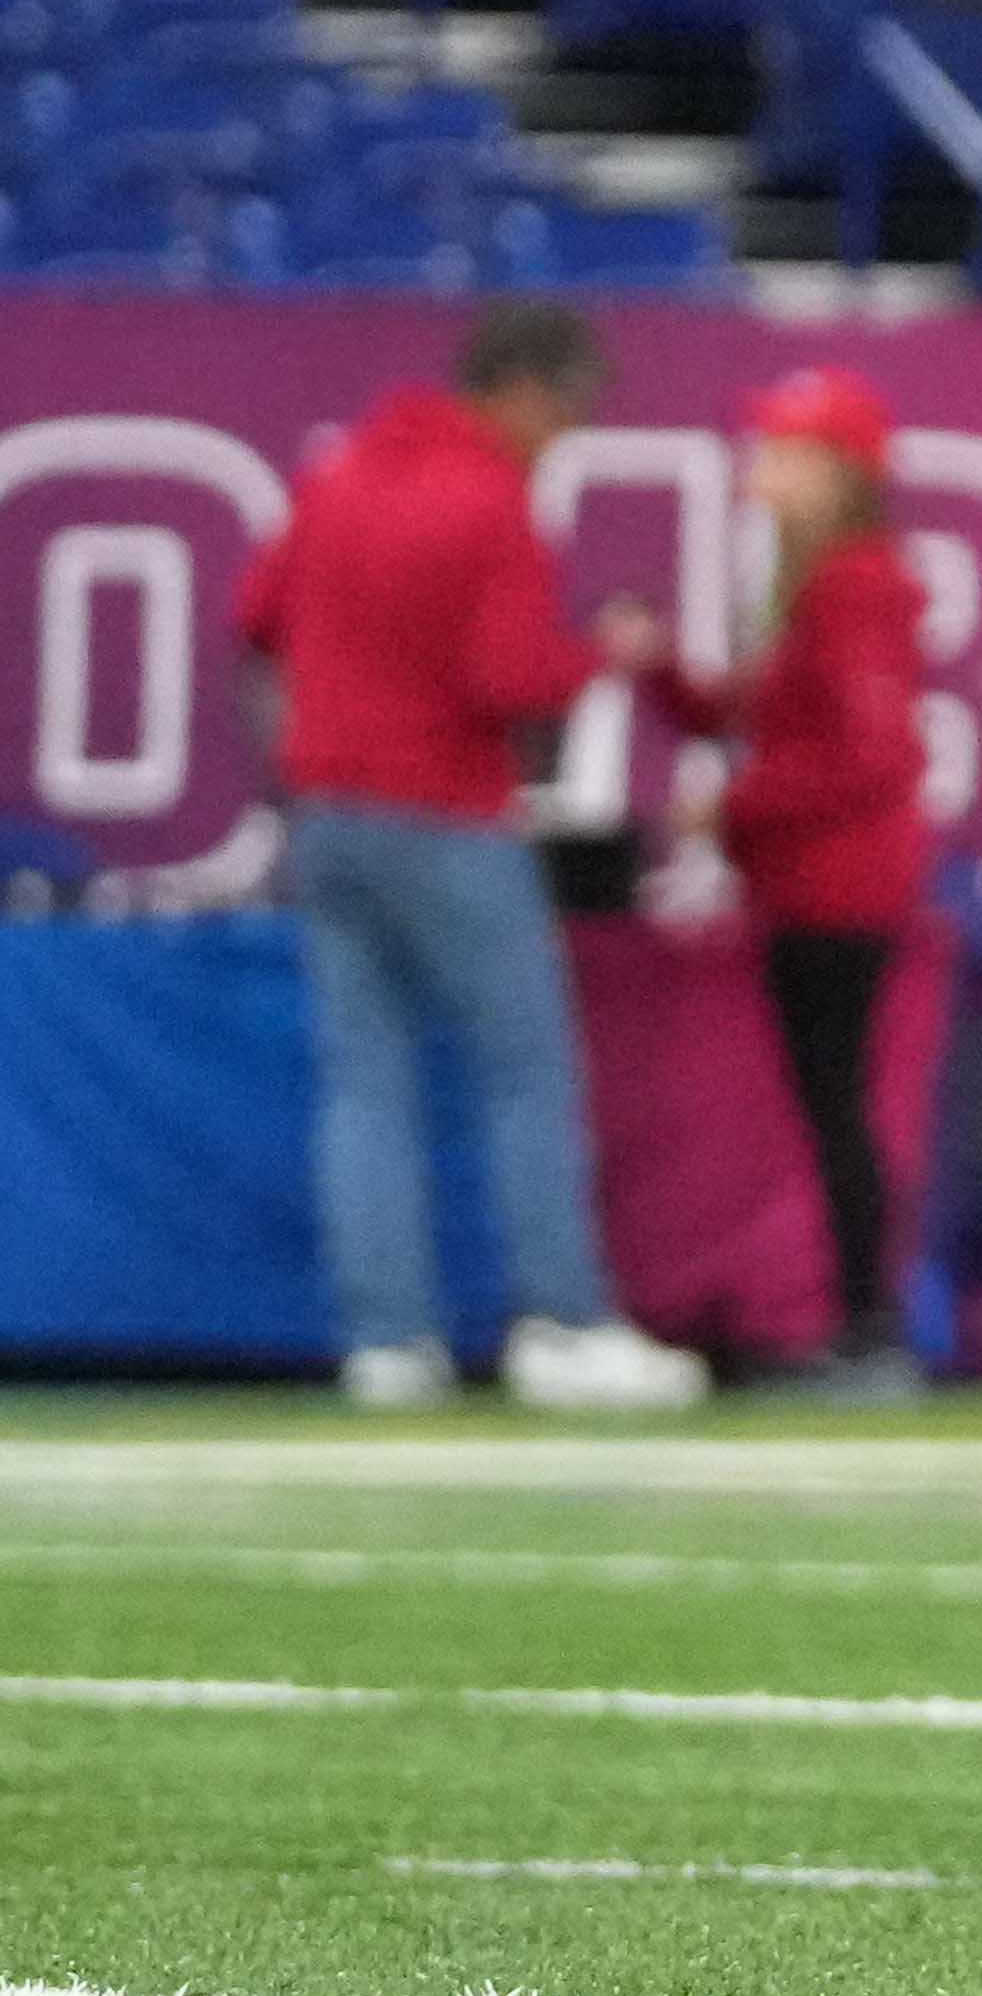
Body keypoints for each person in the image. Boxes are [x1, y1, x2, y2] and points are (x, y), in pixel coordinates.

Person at [227, 300, 708, 1414]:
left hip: (330, 813)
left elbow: (253, 616)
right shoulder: (492, 501)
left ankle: (389, 1342)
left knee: (366, 1084)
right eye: (569, 412)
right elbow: (507, 681)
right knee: (526, 1069)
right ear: (527, 390)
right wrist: (606, 654)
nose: (567, 437)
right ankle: (563, 1321)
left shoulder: (338, 477)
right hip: (444, 813)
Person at [652, 367, 930, 1398]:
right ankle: (861, 1326)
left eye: (787, 452)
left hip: (840, 889)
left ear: (840, 473)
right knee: (830, 1107)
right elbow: (758, 716)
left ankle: (870, 1330)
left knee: (839, 1106)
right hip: (810, 884)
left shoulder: (856, 585)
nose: (761, 467)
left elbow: (872, 755)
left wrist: (733, 808)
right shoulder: (815, 581)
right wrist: (662, 673)